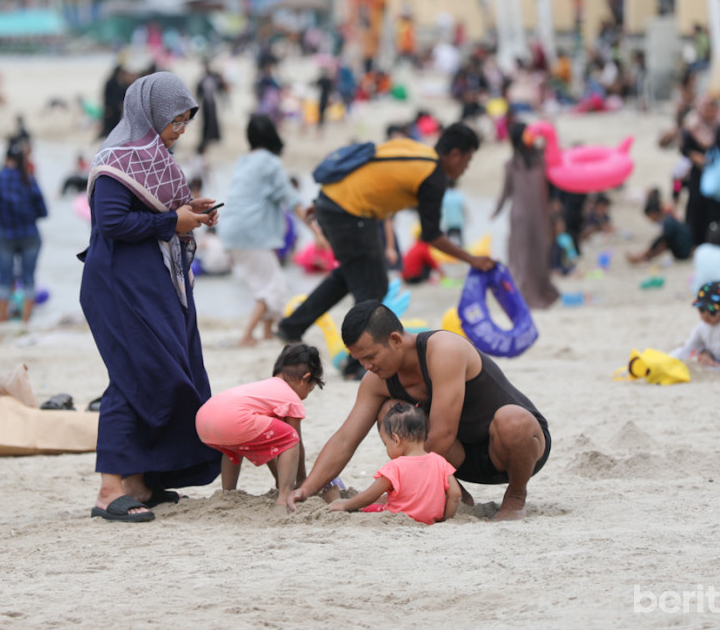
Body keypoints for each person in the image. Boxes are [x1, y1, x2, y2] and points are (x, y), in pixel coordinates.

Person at [80, 72, 222, 522]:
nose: (181, 130)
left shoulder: (156, 160)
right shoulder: (119, 160)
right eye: (175, 121)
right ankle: (109, 491)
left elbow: (155, 212)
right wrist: (172, 223)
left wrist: (189, 213)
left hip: (152, 283)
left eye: (185, 121)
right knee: (133, 377)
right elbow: (111, 223)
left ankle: (139, 482)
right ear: (149, 114)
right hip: (118, 286)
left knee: (167, 374)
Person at [287, 301, 551, 521]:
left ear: (395, 340)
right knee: (392, 411)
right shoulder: (376, 381)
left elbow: (443, 433)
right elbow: (345, 438)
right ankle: (456, 492)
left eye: (371, 357)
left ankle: (516, 496)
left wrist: (402, 486)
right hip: (457, 458)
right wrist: (307, 488)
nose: (366, 366)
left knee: (512, 420)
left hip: (517, 451)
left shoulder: (444, 349)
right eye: (360, 360)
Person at [276, 123, 492, 345]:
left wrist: (325, 202)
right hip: (349, 212)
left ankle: (291, 326)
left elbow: (372, 171)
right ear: (455, 155)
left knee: (349, 274)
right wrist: (472, 259)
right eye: (468, 161)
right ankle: (358, 356)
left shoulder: (416, 151)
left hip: (331, 199)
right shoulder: (433, 175)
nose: (466, 168)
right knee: (373, 288)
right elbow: (432, 234)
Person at [195, 344, 327, 512]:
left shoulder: (263, 389)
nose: (307, 394)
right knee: (291, 437)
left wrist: (279, 479)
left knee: (235, 448)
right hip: (235, 421)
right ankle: (284, 497)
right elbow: (295, 444)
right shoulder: (290, 397)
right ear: (305, 379)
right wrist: (302, 481)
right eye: (311, 388)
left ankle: (228, 493)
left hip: (204, 419)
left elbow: (272, 447)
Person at [220, 115, 313, 347]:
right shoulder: (271, 163)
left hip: (230, 230)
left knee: (268, 281)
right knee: (274, 287)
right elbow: (292, 199)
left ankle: (267, 332)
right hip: (252, 232)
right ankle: (247, 335)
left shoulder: (243, 161)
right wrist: (318, 233)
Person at [327, 402, 461, 525]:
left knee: (366, 507)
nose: (386, 448)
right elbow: (455, 494)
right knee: (387, 497)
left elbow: (370, 495)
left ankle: (335, 500)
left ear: (396, 440)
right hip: (430, 520)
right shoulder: (439, 461)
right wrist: (445, 520)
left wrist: (345, 505)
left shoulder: (395, 467)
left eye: (386, 444)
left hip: (398, 517)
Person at [492, 122, 559, 309]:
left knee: (535, 254)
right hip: (530, 216)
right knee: (528, 255)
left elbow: (505, 193)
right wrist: (495, 211)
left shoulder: (538, 160)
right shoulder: (525, 163)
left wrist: (496, 210)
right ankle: (527, 295)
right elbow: (506, 192)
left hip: (532, 215)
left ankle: (536, 294)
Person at [0, 144, 47, 325]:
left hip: (5, 234)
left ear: (6, 159)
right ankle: (26, 321)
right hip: (30, 235)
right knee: (29, 279)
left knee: (4, 279)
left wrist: (4, 216)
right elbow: (43, 211)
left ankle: (1, 319)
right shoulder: (29, 179)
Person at [678, 95, 720, 245]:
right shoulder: (692, 126)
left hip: (715, 173)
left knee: (715, 208)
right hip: (698, 174)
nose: (710, 111)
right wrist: (694, 156)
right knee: (696, 207)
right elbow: (684, 148)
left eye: (713, 107)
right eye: (707, 108)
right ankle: (694, 242)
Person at [669, 281, 720, 368]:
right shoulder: (701, 328)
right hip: (718, 361)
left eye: (712, 311)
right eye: (702, 309)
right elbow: (688, 348)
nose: (705, 315)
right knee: (702, 356)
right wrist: (668, 358)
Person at [627, 189, 693, 263]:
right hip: (684, 247)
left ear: (654, 213)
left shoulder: (667, 222)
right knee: (662, 241)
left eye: (649, 216)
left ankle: (642, 257)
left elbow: (662, 240)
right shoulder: (667, 219)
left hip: (683, 252)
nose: (650, 220)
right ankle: (643, 257)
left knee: (662, 242)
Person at [194, 61, 227, 154]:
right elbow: (198, 93)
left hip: (212, 102)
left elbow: (223, 88)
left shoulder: (214, 79)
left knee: (213, 120)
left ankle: (213, 136)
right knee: (206, 121)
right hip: (205, 103)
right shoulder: (203, 80)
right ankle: (205, 137)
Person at [99, 61, 130, 139]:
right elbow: (107, 97)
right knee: (109, 126)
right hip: (111, 108)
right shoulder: (110, 83)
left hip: (120, 109)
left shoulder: (124, 83)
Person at [442, 179, 466, 246]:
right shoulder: (459, 194)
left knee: (447, 240)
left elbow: (441, 209)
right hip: (458, 222)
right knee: (460, 240)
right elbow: (463, 208)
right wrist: (468, 218)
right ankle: (462, 249)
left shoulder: (445, 195)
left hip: (448, 222)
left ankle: (446, 250)